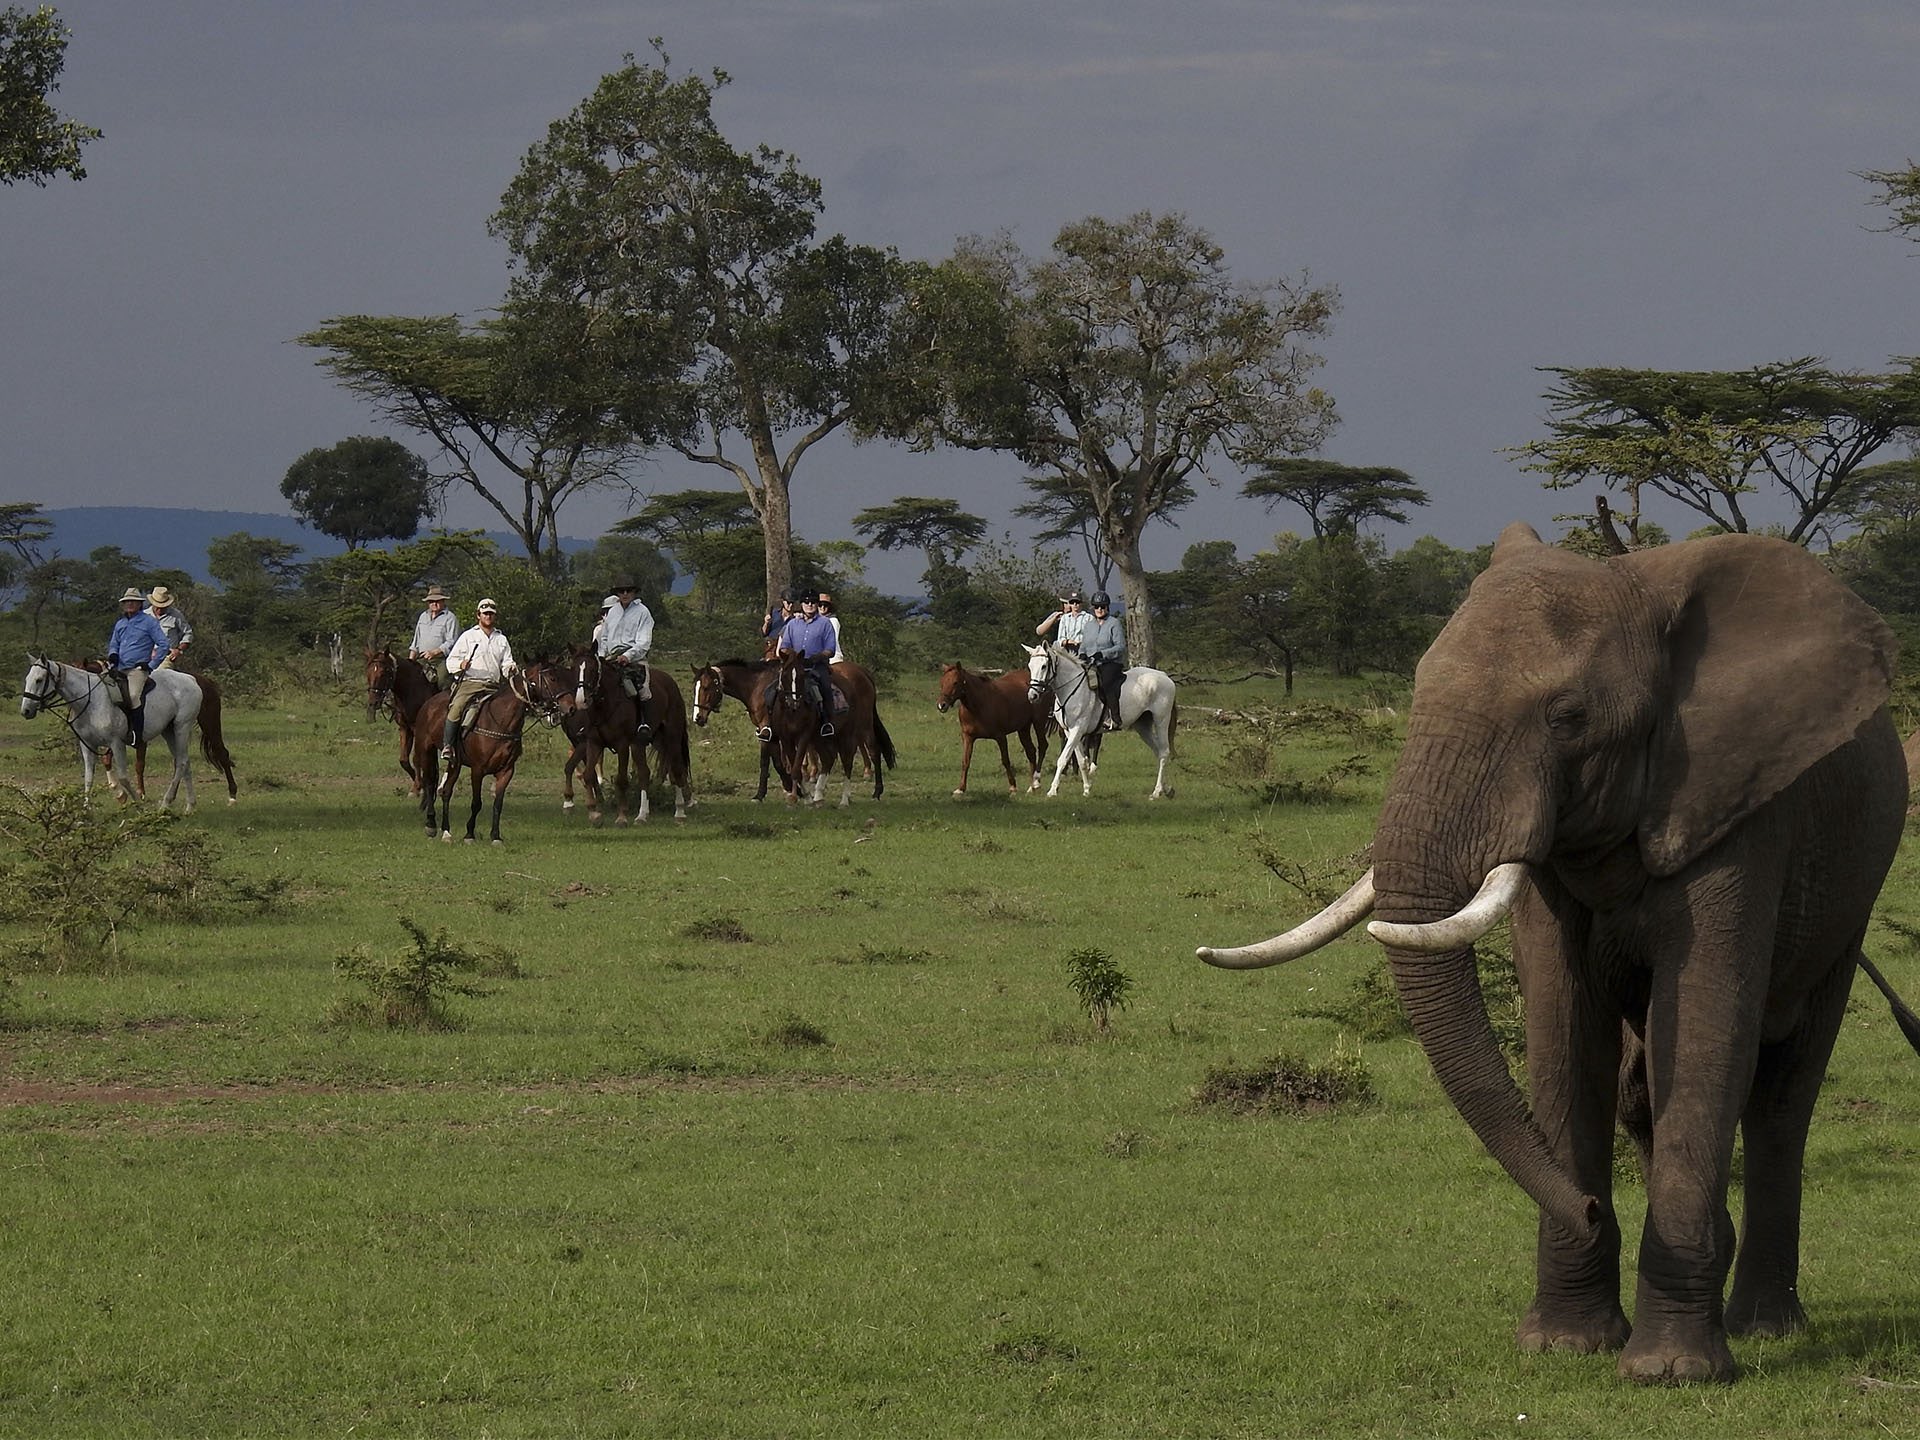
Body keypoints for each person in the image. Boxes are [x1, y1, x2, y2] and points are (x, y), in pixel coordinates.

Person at [439, 598, 517, 780]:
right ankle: (448, 745)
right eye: (485, 613)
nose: (488, 616)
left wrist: (510, 668)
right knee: (457, 707)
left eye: (491, 613)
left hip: (493, 686)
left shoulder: (501, 639)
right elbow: (450, 661)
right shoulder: (468, 636)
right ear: (478, 615)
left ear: (495, 616)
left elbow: (506, 663)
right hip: (470, 683)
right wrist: (461, 664)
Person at [106, 586, 170, 741]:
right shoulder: (120, 624)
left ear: (139, 604)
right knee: (101, 689)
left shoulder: (149, 622)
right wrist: (113, 654)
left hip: (137, 669)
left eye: (133, 602)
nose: (129, 604)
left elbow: (164, 644)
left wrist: (152, 664)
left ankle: (137, 733)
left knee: (133, 696)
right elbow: (114, 643)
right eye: (127, 602)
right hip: (119, 667)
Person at [776, 588, 838, 737]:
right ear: (801, 604)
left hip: (816, 666)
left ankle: (827, 722)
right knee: (772, 689)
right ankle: (771, 723)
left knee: (825, 688)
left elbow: (831, 649)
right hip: (794, 667)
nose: (810, 605)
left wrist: (816, 657)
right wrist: (792, 657)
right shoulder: (792, 624)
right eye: (806, 602)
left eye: (813, 602)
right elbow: (784, 647)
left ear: (817, 604)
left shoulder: (825, 624)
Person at [597, 579, 656, 731]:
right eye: (621, 591)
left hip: (634, 659)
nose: (625, 594)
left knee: (641, 690)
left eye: (628, 590)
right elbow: (604, 637)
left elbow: (644, 641)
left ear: (634, 592)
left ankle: (643, 723)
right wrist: (602, 656)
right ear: (617, 593)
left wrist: (628, 656)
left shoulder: (643, 612)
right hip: (610, 658)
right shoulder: (612, 612)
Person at [1081, 591, 1127, 731]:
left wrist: (1103, 654)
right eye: (1096, 607)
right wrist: (1082, 654)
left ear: (1107, 607)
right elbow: (1084, 645)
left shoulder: (1114, 623)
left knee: (1105, 682)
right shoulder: (1089, 626)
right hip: (1091, 663)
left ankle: (1114, 718)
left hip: (1110, 663)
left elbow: (1120, 647)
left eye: (1102, 606)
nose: (1099, 609)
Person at [409, 585, 458, 688]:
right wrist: (410, 661)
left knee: (443, 680)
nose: (434, 604)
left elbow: (451, 641)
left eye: (437, 601)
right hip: (422, 658)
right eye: (431, 601)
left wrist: (435, 652)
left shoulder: (450, 618)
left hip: (440, 660)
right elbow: (416, 641)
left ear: (443, 601)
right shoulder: (423, 616)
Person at [145, 585, 193, 670]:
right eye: (158, 607)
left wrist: (178, 650)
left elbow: (188, 633)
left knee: (161, 675)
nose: (159, 610)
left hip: (166, 656)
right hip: (145, 655)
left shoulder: (176, 615)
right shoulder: (144, 615)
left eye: (163, 607)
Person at [817, 590, 844, 663]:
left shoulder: (833, 621)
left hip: (833, 658)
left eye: (825, 605)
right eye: (820, 605)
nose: (822, 607)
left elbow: (831, 640)